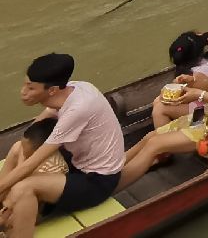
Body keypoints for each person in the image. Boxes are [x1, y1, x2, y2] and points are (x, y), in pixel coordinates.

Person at [120, 6, 208, 184]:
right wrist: (193, 80)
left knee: (154, 144)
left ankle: (112, 186)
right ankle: (113, 169)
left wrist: (198, 94)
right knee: (151, 137)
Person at [0, 53, 124, 236]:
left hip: (96, 180)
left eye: (31, 88)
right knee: (18, 147)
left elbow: (32, 163)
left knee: (24, 186)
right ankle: (5, 208)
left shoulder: (77, 109)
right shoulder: (75, 87)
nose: (23, 92)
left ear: (51, 90)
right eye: (25, 84)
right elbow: (36, 129)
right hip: (76, 160)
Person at [147, 32, 208, 132]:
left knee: (159, 109)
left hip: (206, 109)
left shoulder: (194, 75)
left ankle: (166, 141)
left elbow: (172, 96)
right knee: (158, 102)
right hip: (206, 103)